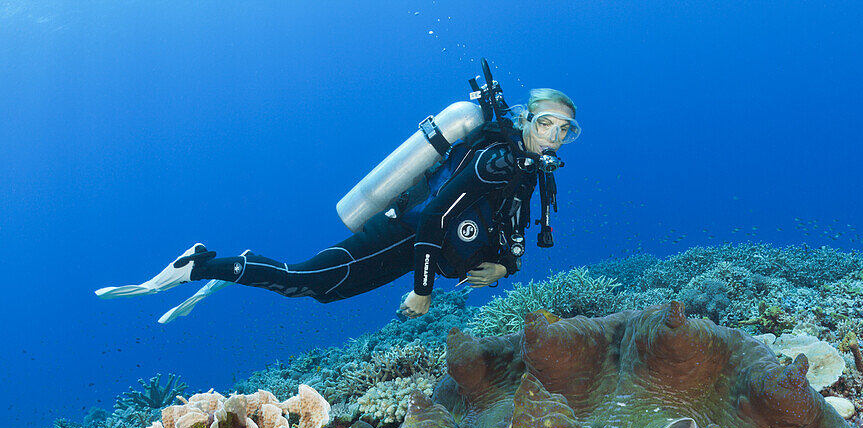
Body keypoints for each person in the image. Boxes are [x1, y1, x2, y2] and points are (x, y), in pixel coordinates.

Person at [95, 87, 579, 322]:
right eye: (546, 124)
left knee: (318, 289)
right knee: (307, 282)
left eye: (565, 130)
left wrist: (505, 268)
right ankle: (201, 265)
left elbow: (513, 227)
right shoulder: (496, 159)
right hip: (405, 238)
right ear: (524, 119)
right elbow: (435, 216)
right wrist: (424, 291)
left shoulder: (526, 166)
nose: (554, 137)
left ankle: (224, 268)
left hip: (414, 246)